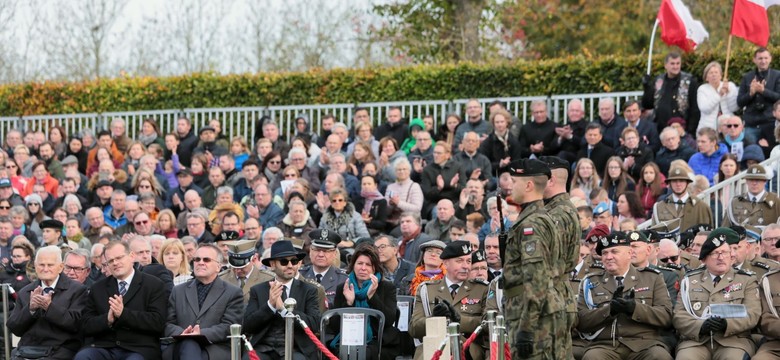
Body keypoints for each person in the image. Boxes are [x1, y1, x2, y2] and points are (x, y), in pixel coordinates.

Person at [504, 158, 567, 359]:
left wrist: (527, 327)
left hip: (532, 314)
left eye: (514, 182)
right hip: (534, 308)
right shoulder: (537, 217)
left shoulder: (532, 224)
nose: (509, 186)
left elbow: (536, 278)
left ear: (529, 185)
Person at [577, 232, 673, 360]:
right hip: (605, 345)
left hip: (645, 344)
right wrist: (609, 310)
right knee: (592, 357)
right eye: (605, 253)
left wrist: (634, 309)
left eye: (614, 252)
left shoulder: (652, 278)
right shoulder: (591, 282)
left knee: (659, 356)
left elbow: (666, 316)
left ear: (629, 253)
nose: (608, 257)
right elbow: (581, 321)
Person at [673, 227, 760, 359]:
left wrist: (727, 324)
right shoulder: (690, 281)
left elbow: (753, 314)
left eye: (724, 253)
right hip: (697, 341)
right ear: (704, 259)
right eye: (715, 253)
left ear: (731, 257)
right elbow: (679, 316)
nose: (721, 258)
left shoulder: (746, 280)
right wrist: (701, 326)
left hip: (733, 341)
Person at [75, 240, 168, 360]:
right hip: (104, 347)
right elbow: (86, 324)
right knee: (83, 357)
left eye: (119, 258)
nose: (115, 263)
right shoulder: (97, 288)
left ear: (131, 256)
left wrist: (124, 314)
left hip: (139, 348)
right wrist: (107, 320)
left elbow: (157, 322)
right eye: (111, 261)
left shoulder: (154, 285)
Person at [409, 241, 488, 360]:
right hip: (435, 345)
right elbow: (414, 328)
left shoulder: (482, 289)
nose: (466, 266)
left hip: (468, 347)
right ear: (445, 264)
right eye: (459, 261)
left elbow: (487, 323)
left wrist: (459, 320)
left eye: (468, 261)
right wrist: (434, 319)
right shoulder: (427, 289)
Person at [163, 244, 244, 360]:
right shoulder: (178, 290)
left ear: (218, 266)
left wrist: (200, 333)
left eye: (206, 260)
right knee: (189, 344)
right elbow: (168, 323)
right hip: (181, 344)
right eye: (197, 259)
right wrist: (184, 334)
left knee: (190, 346)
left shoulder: (233, 292)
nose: (200, 262)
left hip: (215, 348)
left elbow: (229, 326)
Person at [7, 245, 88, 360]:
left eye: (50, 265)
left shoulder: (77, 290)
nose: (45, 269)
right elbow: (14, 327)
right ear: (35, 266)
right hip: (27, 350)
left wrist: (49, 307)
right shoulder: (26, 291)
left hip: (60, 349)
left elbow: (76, 325)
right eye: (41, 265)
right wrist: (30, 309)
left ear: (60, 267)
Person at [244, 240, 321, 360]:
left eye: (294, 261)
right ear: (273, 264)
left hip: (297, 348)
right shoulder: (258, 290)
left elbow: (314, 324)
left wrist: (283, 310)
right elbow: (247, 326)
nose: (290, 265)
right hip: (263, 348)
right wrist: (270, 306)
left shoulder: (308, 290)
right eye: (284, 261)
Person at [331, 243, 399, 360]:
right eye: (360, 263)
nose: (363, 268)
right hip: (347, 339)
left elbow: (388, 320)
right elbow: (335, 326)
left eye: (368, 264)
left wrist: (372, 297)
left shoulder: (387, 287)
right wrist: (349, 303)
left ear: (375, 268)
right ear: (353, 265)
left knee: (366, 354)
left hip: (378, 340)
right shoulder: (343, 287)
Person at [642, 52, 701, 134]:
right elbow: (647, 104)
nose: (675, 66)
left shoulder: (689, 81)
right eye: (672, 64)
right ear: (666, 65)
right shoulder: (658, 81)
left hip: (681, 130)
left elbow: (695, 109)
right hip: (660, 128)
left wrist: (690, 131)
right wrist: (647, 88)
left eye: (678, 63)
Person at [737, 47, 780, 142]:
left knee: (772, 152)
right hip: (751, 125)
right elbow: (739, 102)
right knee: (751, 153)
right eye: (760, 58)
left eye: (765, 58)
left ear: (770, 59)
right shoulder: (747, 77)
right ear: (754, 60)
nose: (763, 61)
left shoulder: (777, 75)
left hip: (771, 123)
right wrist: (751, 93)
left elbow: (778, 97)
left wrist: (763, 91)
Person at [652, 166, 713, 232]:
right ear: (669, 183)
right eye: (674, 181)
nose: (678, 184)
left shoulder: (701, 207)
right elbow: (655, 234)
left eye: (681, 181)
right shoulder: (660, 206)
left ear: (687, 183)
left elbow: (707, 234)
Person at [299, 229, 348, 306]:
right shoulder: (299, 275)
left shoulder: (343, 279)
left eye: (326, 251)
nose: (321, 254)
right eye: (317, 250)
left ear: (335, 254)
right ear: (310, 251)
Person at [219, 240, 274, 304]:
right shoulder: (221, 279)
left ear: (254, 259)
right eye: (234, 266)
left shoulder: (268, 279)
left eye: (242, 267)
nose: (238, 270)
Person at [698, 61, 739, 132]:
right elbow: (705, 108)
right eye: (711, 73)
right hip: (708, 127)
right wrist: (719, 95)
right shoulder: (702, 89)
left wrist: (729, 93)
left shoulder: (730, 85)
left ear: (721, 75)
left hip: (728, 125)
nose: (714, 75)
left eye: (716, 72)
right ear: (706, 77)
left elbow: (734, 108)